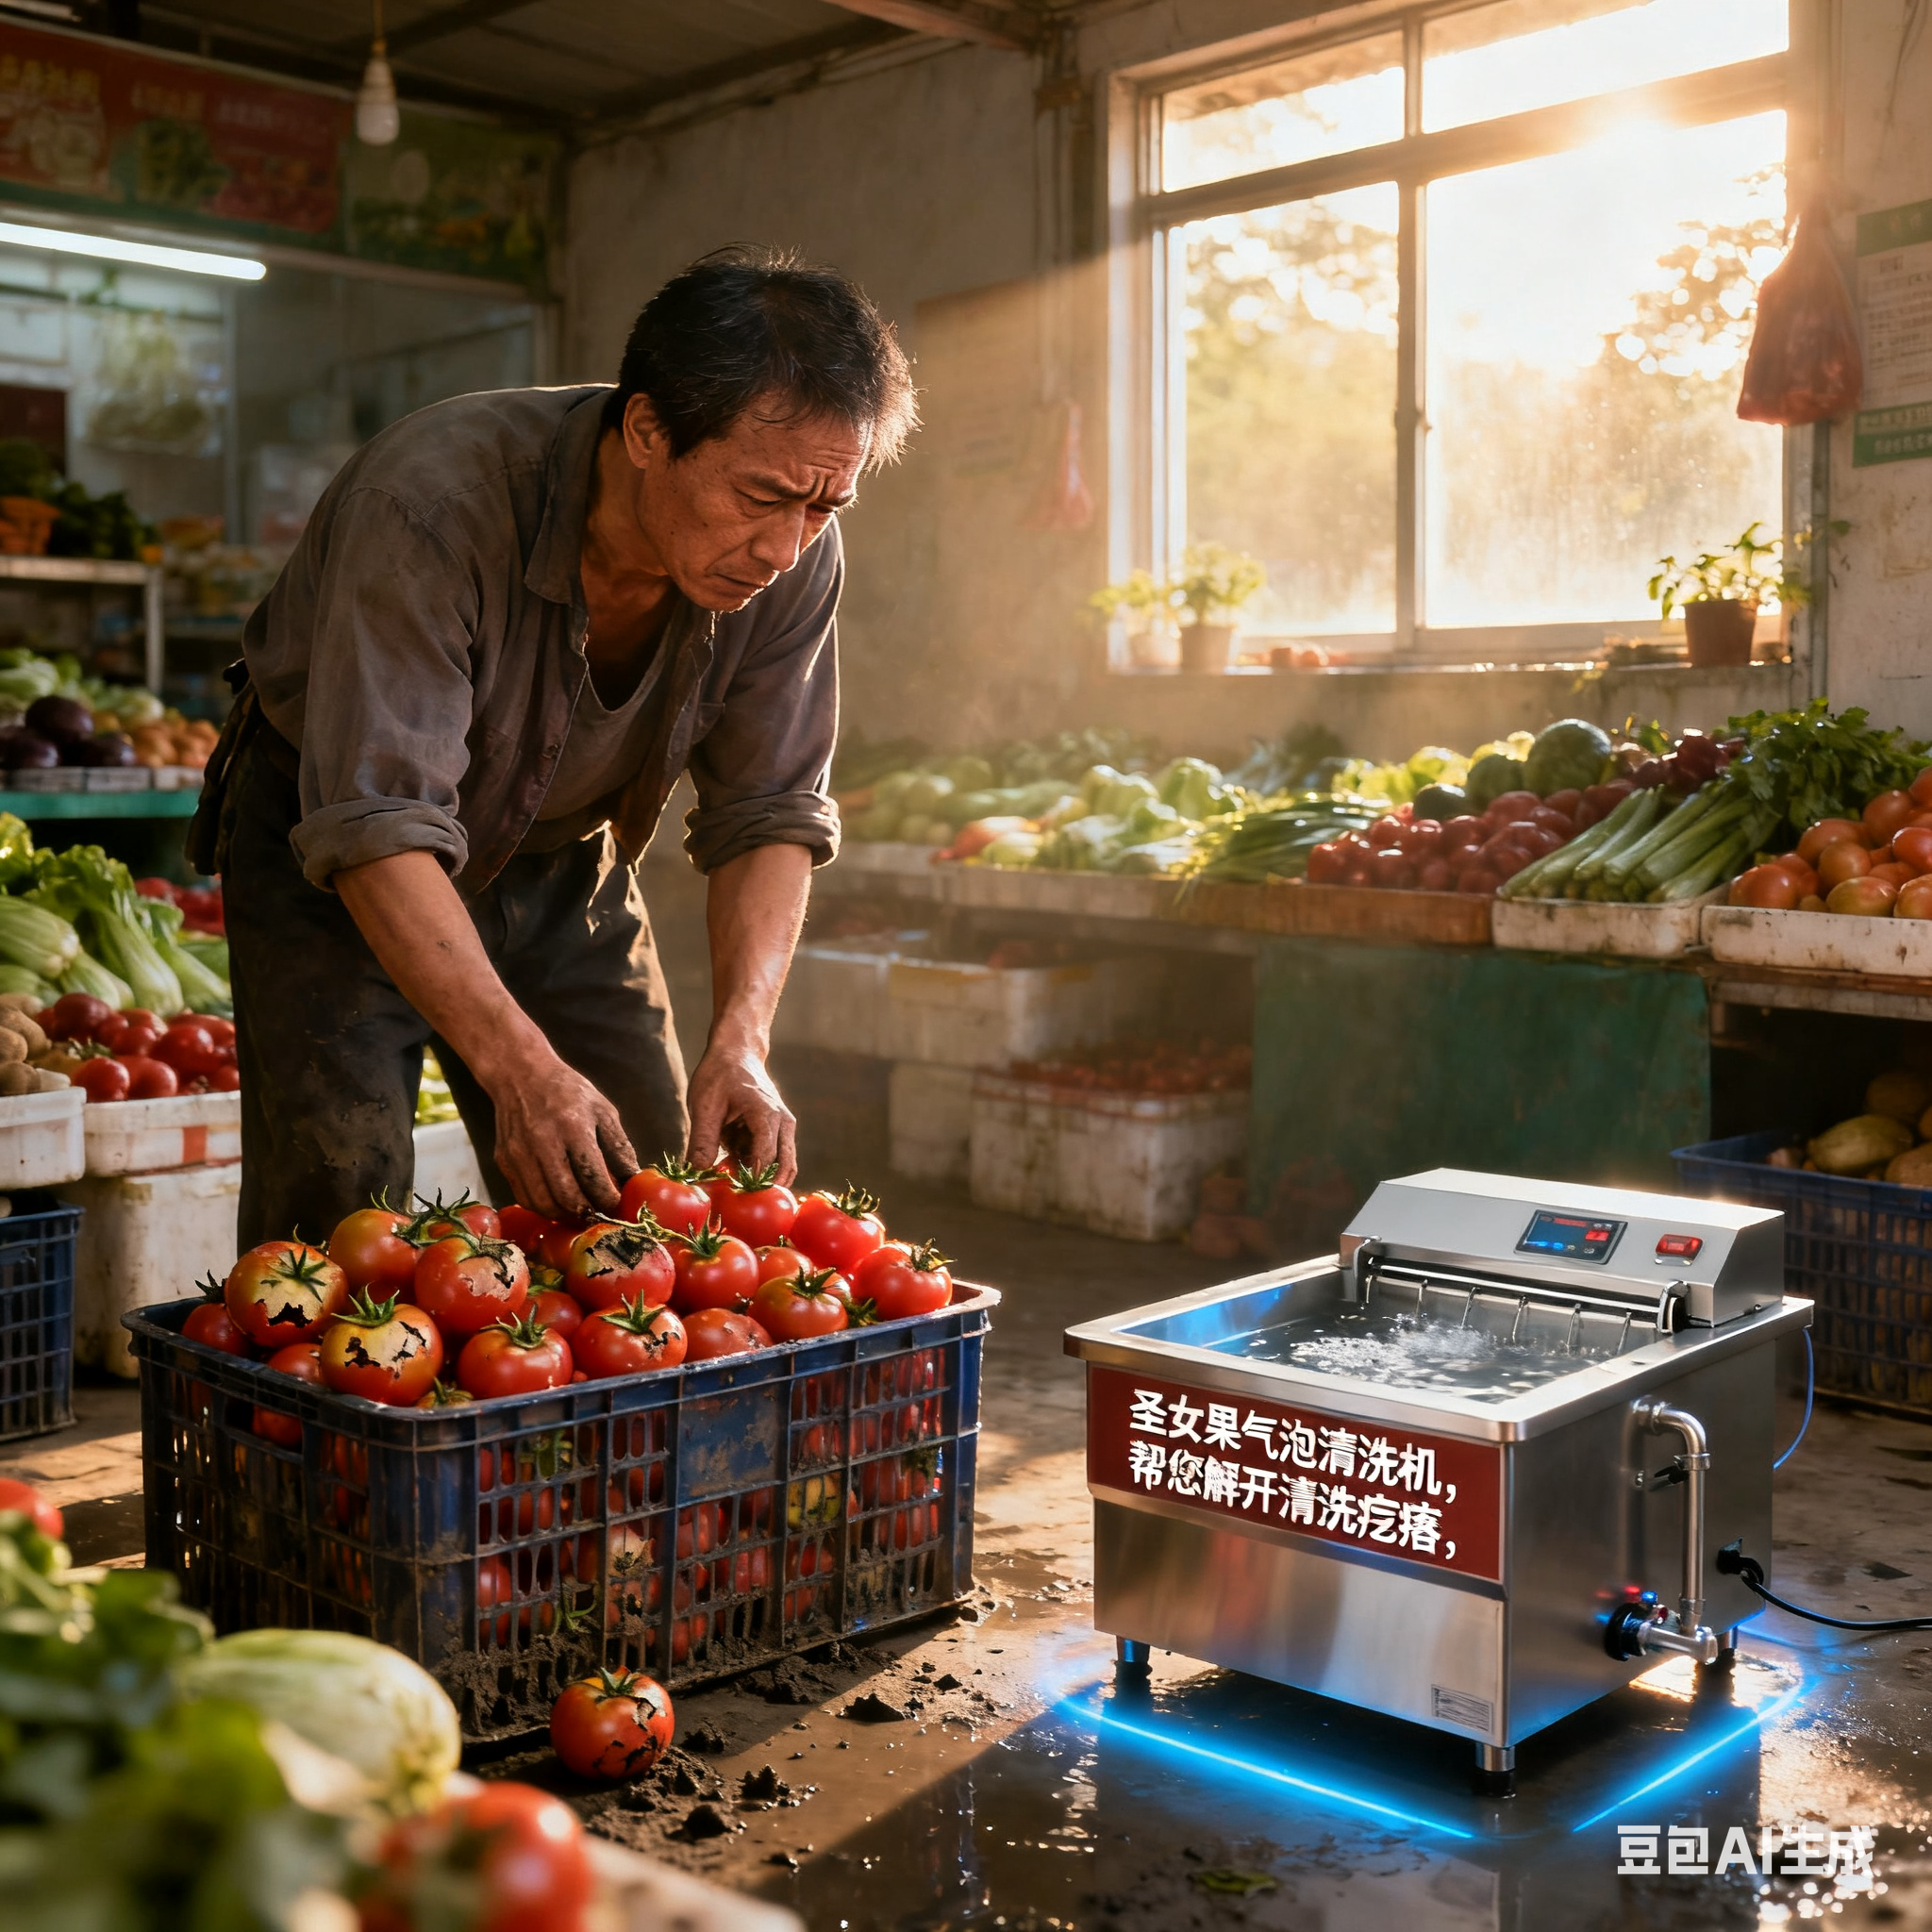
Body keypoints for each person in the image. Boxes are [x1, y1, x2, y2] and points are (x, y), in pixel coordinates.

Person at [191, 246, 917, 1247]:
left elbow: (769, 809)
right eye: (760, 498)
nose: (785, 547)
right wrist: (516, 1066)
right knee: (336, 1222)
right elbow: (372, 823)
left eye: (822, 506)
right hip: (340, 861)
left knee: (647, 1208)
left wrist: (743, 1041)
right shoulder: (429, 506)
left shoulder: (795, 542)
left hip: (564, 854)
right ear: (649, 430)